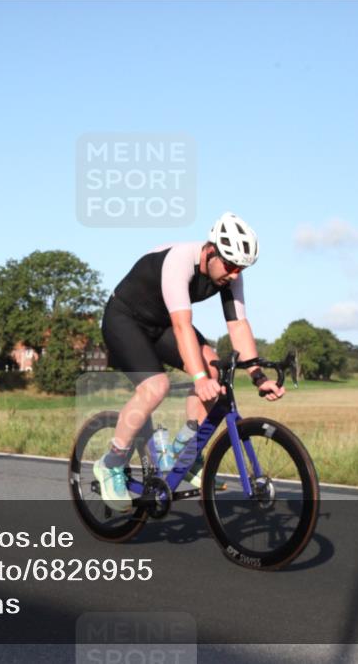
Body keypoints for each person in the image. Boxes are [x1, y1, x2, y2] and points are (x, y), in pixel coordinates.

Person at [94, 212, 285, 511]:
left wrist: (258, 376)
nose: (235, 274)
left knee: (215, 370)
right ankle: (111, 462)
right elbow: (183, 326)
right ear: (211, 251)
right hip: (124, 319)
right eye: (231, 265)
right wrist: (199, 379)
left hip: (161, 325)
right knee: (157, 387)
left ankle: (186, 453)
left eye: (241, 268)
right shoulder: (179, 261)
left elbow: (238, 325)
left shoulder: (230, 276)